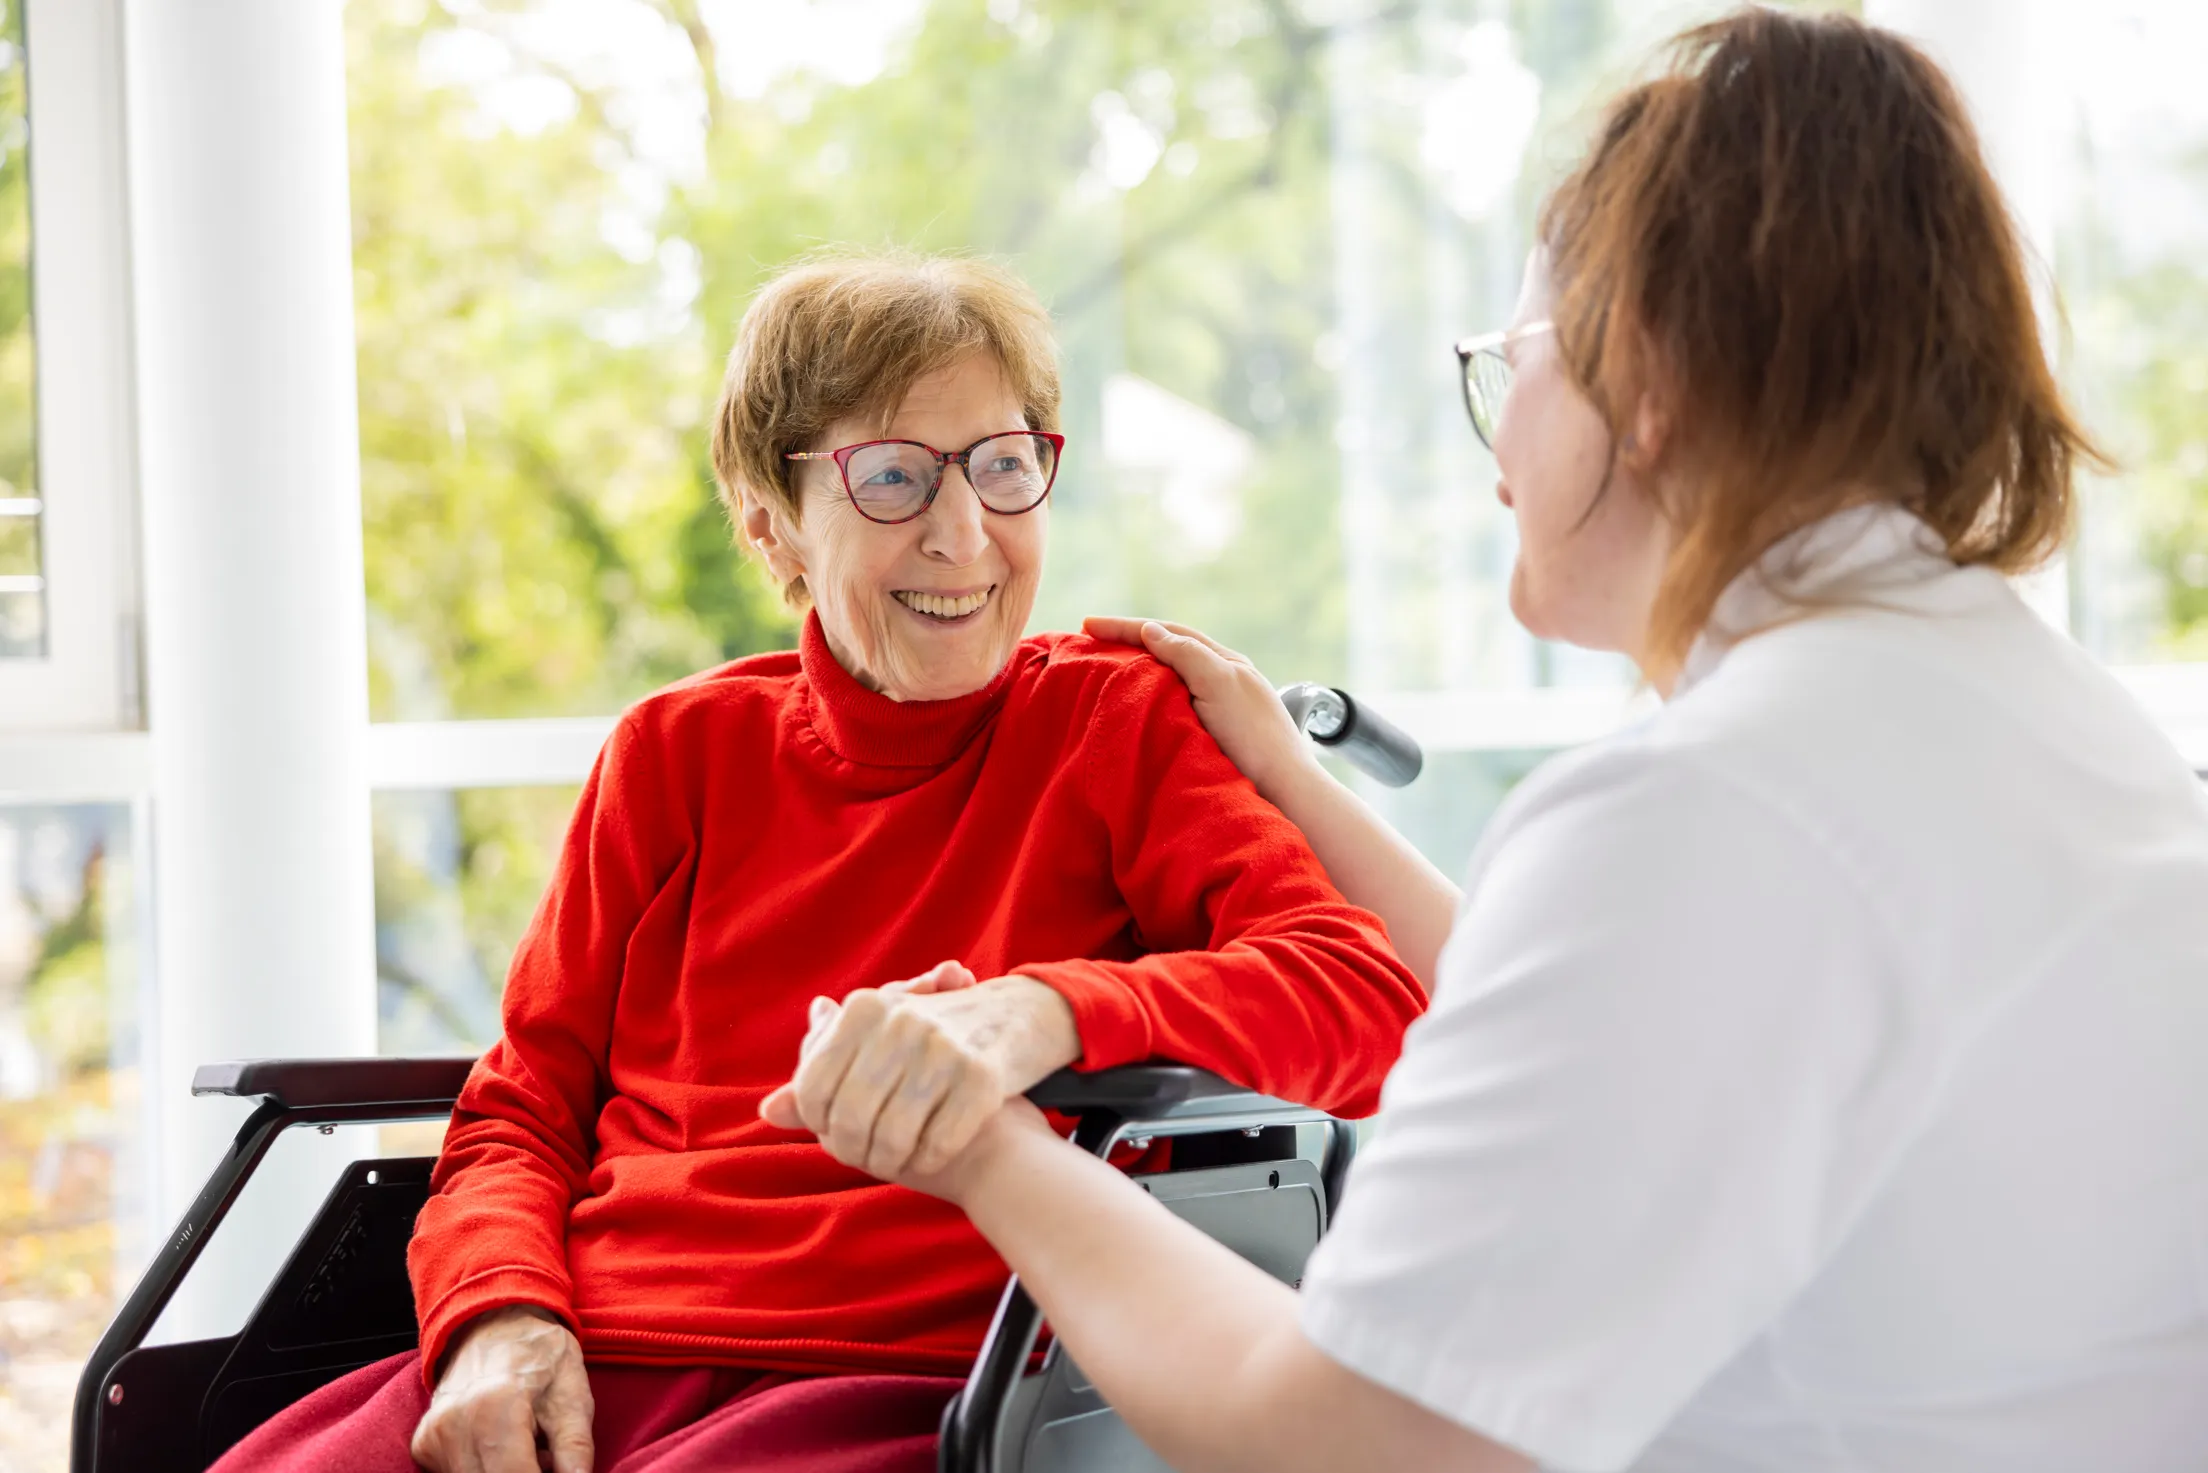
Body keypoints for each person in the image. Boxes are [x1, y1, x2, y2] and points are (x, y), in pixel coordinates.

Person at [789, 11, 2208, 1472]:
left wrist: (980, 1142)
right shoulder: (2045, 729)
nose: (1495, 437)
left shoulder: (1711, 806)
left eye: (1508, 359)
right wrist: (1290, 776)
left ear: (1644, 384)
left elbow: (1339, 1439)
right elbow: (1590, 1002)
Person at [209, 253, 1425, 1473]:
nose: (964, 534)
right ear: (771, 525)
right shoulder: (674, 753)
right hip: (584, 1350)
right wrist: (497, 1317)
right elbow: (522, 1103)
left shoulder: (1113, 723)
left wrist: (1046, 1011)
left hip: (912, 1378)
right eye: (892, 477)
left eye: (1004, 466)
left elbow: (1366, 999)